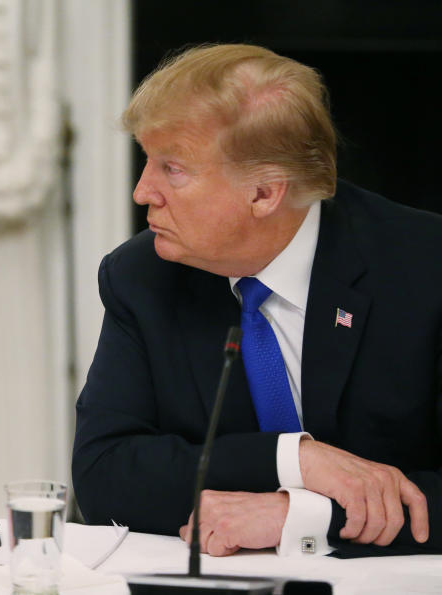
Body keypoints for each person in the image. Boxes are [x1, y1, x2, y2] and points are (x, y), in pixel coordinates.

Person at [72, 43, 441, 557]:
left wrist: (306, 517)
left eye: (172, 169)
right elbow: (103, 475)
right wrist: (295, 461)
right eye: (147, 160)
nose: (142, 191)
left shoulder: (424, 267)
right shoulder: (143, 275)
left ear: (265, 193)